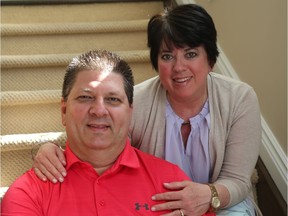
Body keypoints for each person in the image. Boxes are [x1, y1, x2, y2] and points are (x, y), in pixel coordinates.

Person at [31, 4, 262, 216]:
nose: (179, 67)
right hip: (156, 201)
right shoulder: (136, 102)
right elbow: (99, 144)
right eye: (167, 56)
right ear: (156, 62)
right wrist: (49, 147)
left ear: (210, 59)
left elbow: (237, 180)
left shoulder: (240, 99)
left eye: (191, 54)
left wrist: (207, 195)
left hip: (221, 200)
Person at [1, 49, 215, 216]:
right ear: (64, 111)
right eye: (85, 97)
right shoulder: (28, 194)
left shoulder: (174, 184)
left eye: (113, 99)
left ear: (130, 113)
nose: (99, 110)